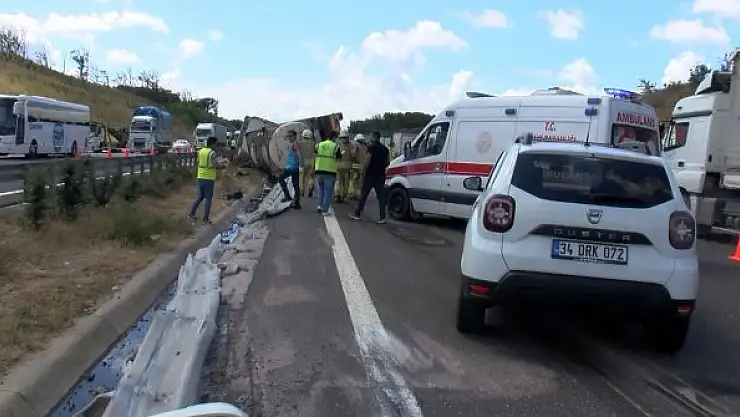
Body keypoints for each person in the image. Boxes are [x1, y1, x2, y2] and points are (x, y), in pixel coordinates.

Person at [349, 131, 390, 223]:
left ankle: (357, 214)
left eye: (371, 136)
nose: (370, 138)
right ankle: (382, 218)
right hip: (381, 175)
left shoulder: (371, 147)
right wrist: (381, 167)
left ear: (374, 137)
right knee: (381, 197)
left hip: (370, 175)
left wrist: (363, 169)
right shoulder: (385, 149)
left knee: (364, 194)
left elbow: (367, 160)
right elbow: (388, 162)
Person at [188, 136, 227, 224]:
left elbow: (199, 162)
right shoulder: (212, 153)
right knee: (208, 199)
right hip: (208, 178)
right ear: (212, 144)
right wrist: (223, 165)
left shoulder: (201, 151)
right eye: (216, 144)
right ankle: (205, 219)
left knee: (200, 196)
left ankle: (191, 214)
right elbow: (215, 165)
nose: (216, 146)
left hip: (200, 176)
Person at [314, 130, 342, 215]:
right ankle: (325, 210)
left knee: (321, 189)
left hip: (319, 170)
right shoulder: (335, 146)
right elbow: (339, 157)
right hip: (330, 171)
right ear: (334, 137)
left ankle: (319, 206)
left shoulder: (319, 145)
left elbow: (314, 154)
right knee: (328, 191)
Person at [278, 129, 302, 209]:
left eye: (291, 136)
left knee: (281, 179)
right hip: (292, 167)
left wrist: (300, 165)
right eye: (289, 136)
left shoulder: (295, 144)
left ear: (295, 136)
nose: (289, 137)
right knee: (295, 185)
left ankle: (288, 196)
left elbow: (299, 155)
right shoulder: (293, 143)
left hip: (292, 168)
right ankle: (296, 203)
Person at [334, 130, 356, 203]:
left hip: (338, 165)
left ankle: (337, 195)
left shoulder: (337, 144)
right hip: (347, 166)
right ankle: (343, 195)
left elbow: (334, 155)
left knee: (338, 181)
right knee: (346, 182)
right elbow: (353, 155)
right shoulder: (351, 145)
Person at [298, 129, 316, 198]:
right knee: (311, 176)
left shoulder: (300, 144)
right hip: (311, 161)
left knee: (301, 177)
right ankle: (310, 186)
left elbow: (298, 153)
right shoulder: (313, 143)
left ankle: (301, 191)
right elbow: (315, 154)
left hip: (302, 161)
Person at [350, 134, 366, 199]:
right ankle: (359, 193)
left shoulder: (355, 145)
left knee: (353, 180)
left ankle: (352, 193)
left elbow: (353, 155)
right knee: (360, 181)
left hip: (355, 166)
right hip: (362, 167)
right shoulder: (365, 146)